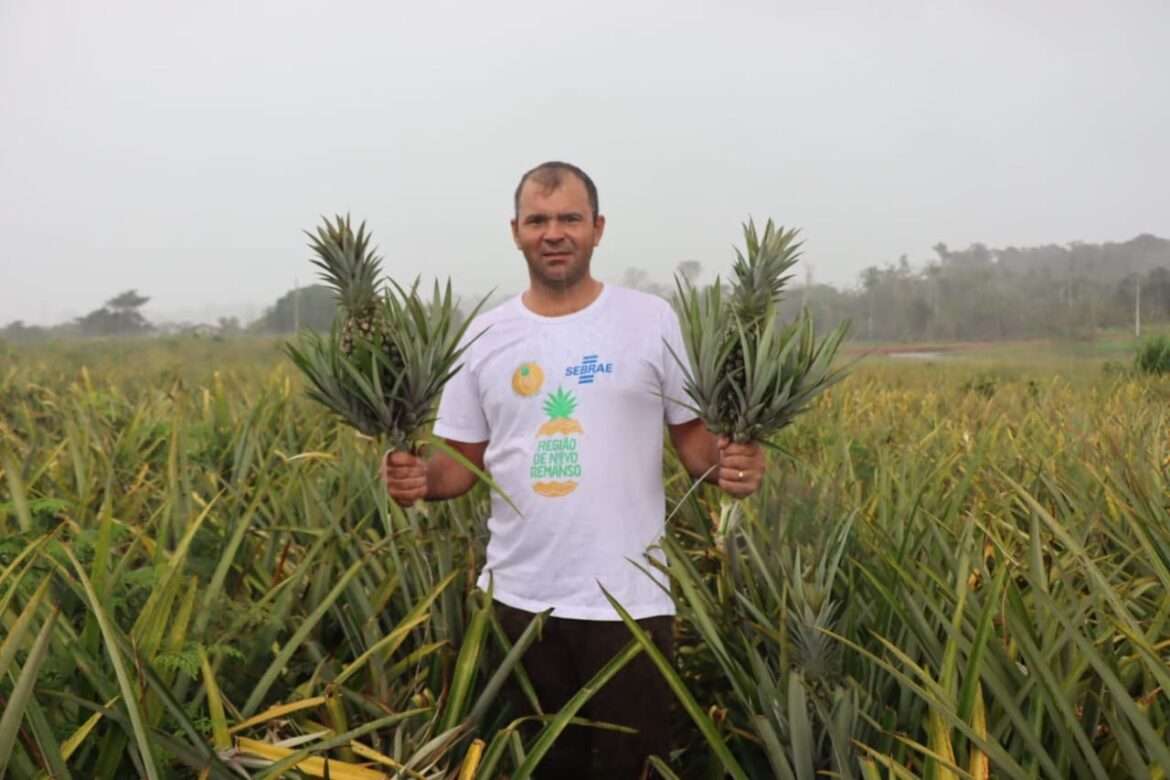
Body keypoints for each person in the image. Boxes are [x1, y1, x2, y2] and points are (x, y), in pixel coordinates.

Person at [382, 161, 764, 778]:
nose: (553, 233)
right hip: (516, 602)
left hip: (629, 603)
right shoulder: (483, 336)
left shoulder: (650, 321)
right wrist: (417, 479)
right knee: (536, 767)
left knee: (631, 768)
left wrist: (734, 463)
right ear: (515, 231)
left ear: (597, 228)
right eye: (538, 220)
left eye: (569, 219)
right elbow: (458, 462)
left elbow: (694, 444)